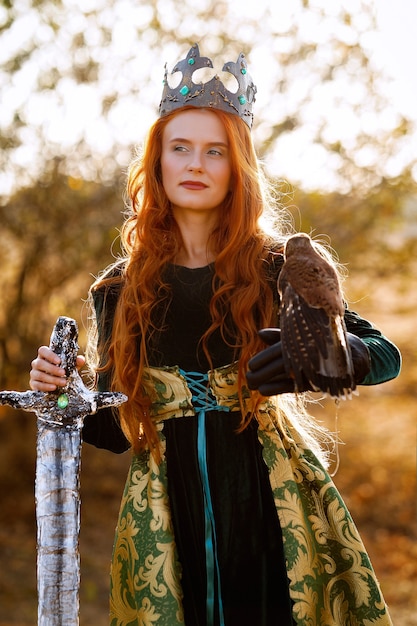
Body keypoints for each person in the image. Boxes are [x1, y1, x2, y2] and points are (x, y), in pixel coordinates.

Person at [29, 44, 401, 626]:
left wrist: (340, 355)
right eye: (180, 148)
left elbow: (387, 355)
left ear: (238, 166)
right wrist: (63, 393)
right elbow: (116, 428)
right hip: (165, 507)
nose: (195, 164)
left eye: (215, 151)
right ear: (157, 162)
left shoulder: (276, 267)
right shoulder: (120, 288)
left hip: (269, 496)